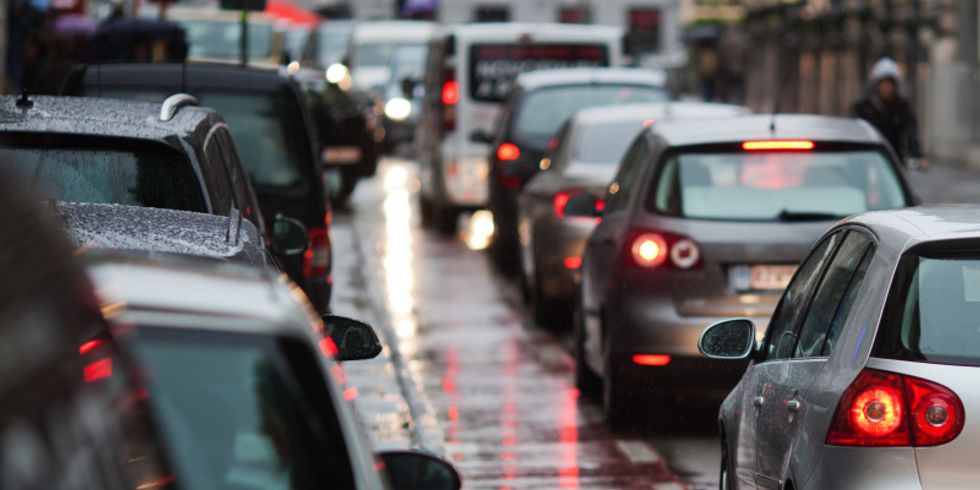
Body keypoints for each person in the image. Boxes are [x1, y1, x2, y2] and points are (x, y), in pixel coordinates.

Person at [852, 57, 928, 170]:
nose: (886, 88)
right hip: (868, 158)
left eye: (889, 84)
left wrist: (916, 155)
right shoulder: (864, 106)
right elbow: (856, 130)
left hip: (894, 159)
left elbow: (911, 132)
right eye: (883, 83)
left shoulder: (902, 107)